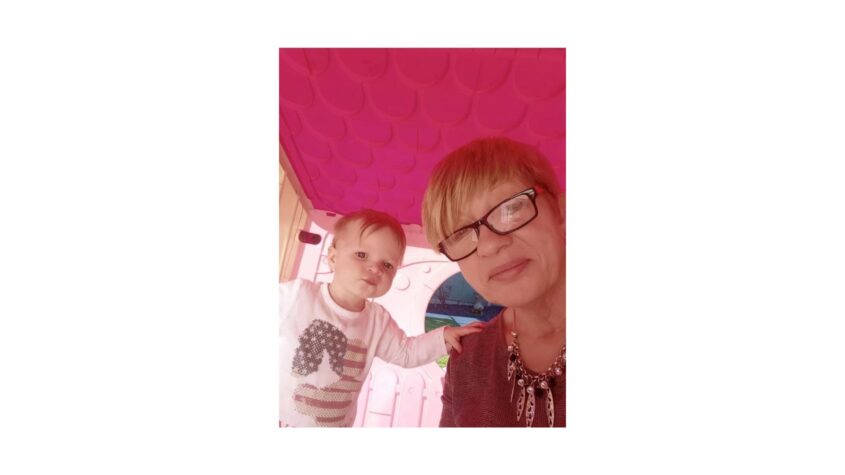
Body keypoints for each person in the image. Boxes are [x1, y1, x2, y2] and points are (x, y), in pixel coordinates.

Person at [279, 209, 482, 427]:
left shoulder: (377, 321)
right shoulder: (298, 295)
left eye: (387, 265)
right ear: (333, 258)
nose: (375, 268)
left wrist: (444, 337)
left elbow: (406, 353)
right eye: (362, 255)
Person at [422, 137, 566, 427]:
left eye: (510, 209)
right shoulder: (464, 361)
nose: (488, 246)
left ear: (561, 210)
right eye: (460, 233)